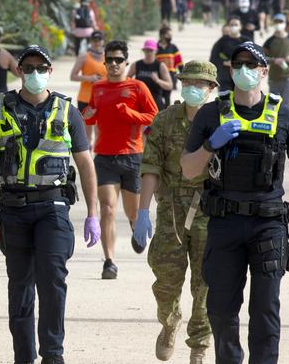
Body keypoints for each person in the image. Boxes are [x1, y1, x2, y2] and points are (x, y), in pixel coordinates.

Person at [181, 42, 289, 364]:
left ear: (264, 71)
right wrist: (211, 143)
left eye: (251, 63)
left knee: (265, 309)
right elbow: (189, 169)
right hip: (224, 222)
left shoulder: (284, 114)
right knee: (220, 310)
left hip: (268, 224)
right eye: (238, 64)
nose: (243, 69)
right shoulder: (211, 113)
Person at [0, 45, 101, 364]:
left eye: (40, 67)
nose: (34, 73)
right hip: (14, 209)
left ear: (50, 71)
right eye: (28, 67)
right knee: (20, 286)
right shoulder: (1, 108)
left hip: (54, 208)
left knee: (53, 281)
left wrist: (93, 214)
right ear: (19, 71)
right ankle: (24, 356)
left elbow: (85, 163)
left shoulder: (66, 110)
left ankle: (53, 354)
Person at [135, 61, 218, 364]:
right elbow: (151, 165)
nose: (194, 88)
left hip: (209, 209)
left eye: (200, 84)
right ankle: (169, 322)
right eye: (188, 83)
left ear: (211, 89)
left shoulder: (221, 121)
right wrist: (143, 211)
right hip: (171, 208)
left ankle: (199, 345)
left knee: (206, 282)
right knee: (166, 280)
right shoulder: (165, 120)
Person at [83, 40, 159, 279]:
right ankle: (109, 262)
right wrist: (88, 115)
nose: (114, 64)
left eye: (118, 60)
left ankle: (137, 228)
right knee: (107, 208)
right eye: (110, 60)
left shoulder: (137, 87)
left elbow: (154, 117)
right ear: (105, 62)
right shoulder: (98, 88)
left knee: (133, 213)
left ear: (126, 62)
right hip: (104, 157)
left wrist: (130, 114)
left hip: (132, 157)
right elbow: (89, 117)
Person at [70, 29, 107, 144]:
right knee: (86, 132)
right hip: (85, 98)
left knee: (100, 131)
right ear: (90, 41)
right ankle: (88, 159)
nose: (97, 43)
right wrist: (89, 78)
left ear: (103, 41)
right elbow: (73, 76)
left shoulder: (108, 58)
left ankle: (98, 159)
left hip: (103, 99)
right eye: (94, 40)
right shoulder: (84, 57)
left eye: (99, 40)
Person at [263, 13, 289, 105]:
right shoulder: (269, 41)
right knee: (274, 107)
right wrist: (274, 60)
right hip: (274, 78)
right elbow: (262, 58)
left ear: (285, 24)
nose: (278, 24)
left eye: (281, 22)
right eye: (276, 22)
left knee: (286, 107)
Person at [128, 39, 173, 111]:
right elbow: (126, 80)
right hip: (140, 103)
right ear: (143, 51)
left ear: (156, 51)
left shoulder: (160, 66)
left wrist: (158, 80)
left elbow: (169, 86)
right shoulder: (136, 65)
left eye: (151, 50)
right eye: (146, 50)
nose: (148, 53)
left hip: (155, 104)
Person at [210, 17, 250, 91]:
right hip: (225, 78)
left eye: (236, 25)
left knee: (240, 101)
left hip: (242, 77)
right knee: (225, 101)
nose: (233, 27)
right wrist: (224, 62)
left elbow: (253, 58)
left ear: (240, 26)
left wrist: (241, 63)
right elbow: (213, 58)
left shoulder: (247, 41)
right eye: (231, 25)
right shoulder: (222, 41)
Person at [156, 26, 184, 107]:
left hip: (171, 76)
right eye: (168, 34)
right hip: (159, 77)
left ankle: (167, 115)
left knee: (167, 97)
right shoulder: (155, 47)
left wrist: (183, 75)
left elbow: (179, 62)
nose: (170, 37)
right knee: (158, 98)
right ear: (162, 35)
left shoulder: (173, 47)